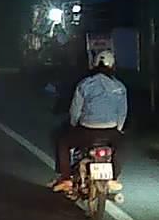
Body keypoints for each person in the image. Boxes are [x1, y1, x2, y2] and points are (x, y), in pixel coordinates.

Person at [50, 50, 127, 194]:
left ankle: (66, 179)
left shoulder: (85, 84)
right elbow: (122, 113)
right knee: (121, 146)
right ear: (113, 66)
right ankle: (114, 178)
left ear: (94, 65)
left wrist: (73, 125)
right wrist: (118, 130)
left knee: (63, 143)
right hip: (110, 132)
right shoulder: (120, 87)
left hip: (87, 131)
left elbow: (75, 111)